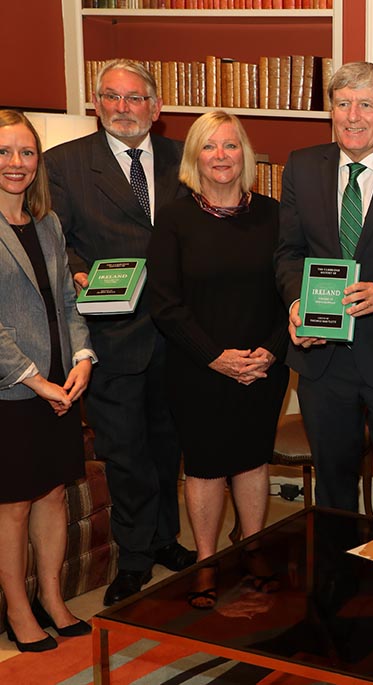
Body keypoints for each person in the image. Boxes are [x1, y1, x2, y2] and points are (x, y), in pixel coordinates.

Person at [45, 58, 195, 607]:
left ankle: (165, 539)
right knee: (125, 451)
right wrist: (77, 269)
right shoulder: (63, 164)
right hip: (112, 334)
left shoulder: (185, 158)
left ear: (156, 108)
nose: (122, 108)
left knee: (168, 444)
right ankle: (132, 559)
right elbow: (53, 239)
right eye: (112, 96)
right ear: (96, 103)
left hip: (177, 334)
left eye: (135, 99)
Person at [275, 62, 373, 523]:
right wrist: (295, 303)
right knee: (333, 490)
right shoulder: (302, 167)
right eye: (342, 104)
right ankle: (336, 581)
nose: (353, 115)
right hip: (322, 359)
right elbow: (288, 253)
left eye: (366, 104)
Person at [148, 111, 289, 609]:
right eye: (209, 147)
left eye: (230, 146)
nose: (221, 156)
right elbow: (165, 302)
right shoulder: (174, 219)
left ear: (244, 154)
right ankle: (206, 563)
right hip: (197, 368)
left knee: (253, 459)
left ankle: (251, 549)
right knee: (205, 466)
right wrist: (215, 357)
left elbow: (287, 292)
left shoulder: (274, 215)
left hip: (262, 365)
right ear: (194, 158)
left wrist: (271, 351)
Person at [0, 110, 96, 651]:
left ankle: (53, 599)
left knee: (54, 494)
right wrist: (36, 380)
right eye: (4, 152)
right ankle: (18, 611)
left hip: (61, 385)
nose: (17, 163)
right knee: (13, 505)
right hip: (12, 390)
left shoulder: (48, 223)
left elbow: (67, 301)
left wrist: (83, 357)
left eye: (26, 152)